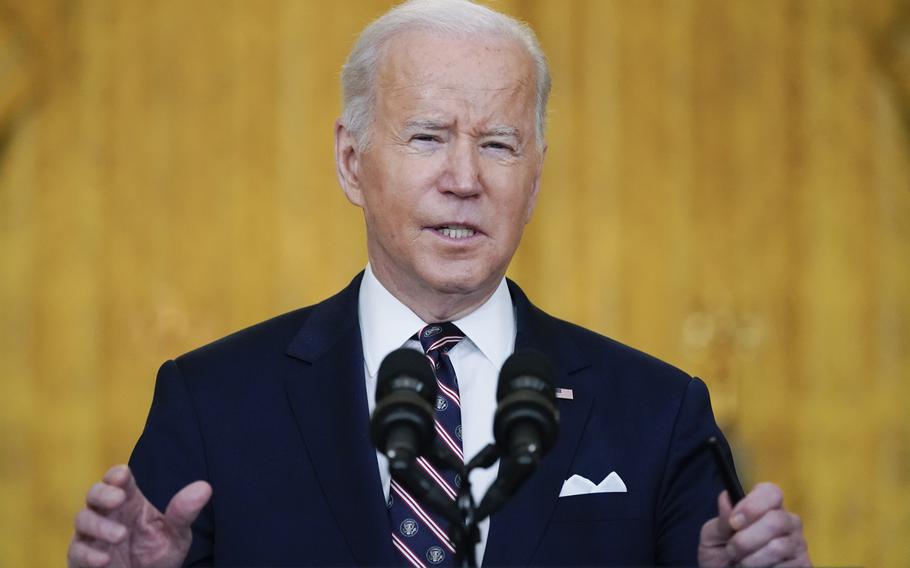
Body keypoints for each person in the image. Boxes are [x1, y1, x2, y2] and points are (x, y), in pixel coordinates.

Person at [67, 1, 811, 567]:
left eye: (497, 144)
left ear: (537, 176)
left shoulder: (657, 410)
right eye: (427, 137)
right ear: (352, 161)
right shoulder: (211, 401)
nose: (464, 180)